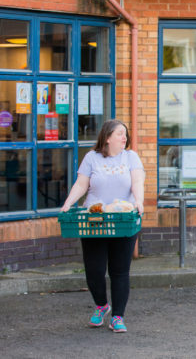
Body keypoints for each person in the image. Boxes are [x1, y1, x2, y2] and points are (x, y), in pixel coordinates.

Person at [61, 119, 145, 333]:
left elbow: (137, 181)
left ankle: (117, 316)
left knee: (119, 271)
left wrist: (139, 202)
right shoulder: (92, 158)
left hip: (123, 220)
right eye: (119, 133)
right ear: (107, 137)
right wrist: (68, 203)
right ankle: (102, 305)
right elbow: (81, 184)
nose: (124, 137)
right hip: (94, 220)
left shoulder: (130, 157)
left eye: (125, 134)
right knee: (94, 271)